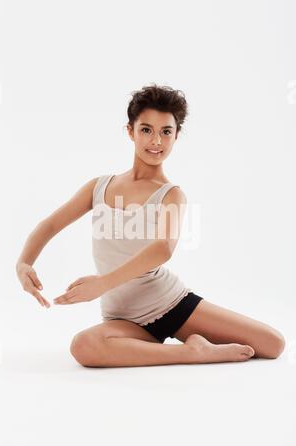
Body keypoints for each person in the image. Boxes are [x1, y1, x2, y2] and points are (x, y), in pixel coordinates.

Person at [16, 83, 285, 368]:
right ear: (130, 131)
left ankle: (190, 349)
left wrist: (103, 284)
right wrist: (24, 263)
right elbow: (49, 225)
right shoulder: (99, 186)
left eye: (166, 132)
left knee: (272, 344)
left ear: (176, 136)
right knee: (83, 346)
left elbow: (163, 248)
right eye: (146, 129)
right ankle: (193, 353)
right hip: (122, 317)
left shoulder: (170, 194)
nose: (156, 141)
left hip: (170, 304)